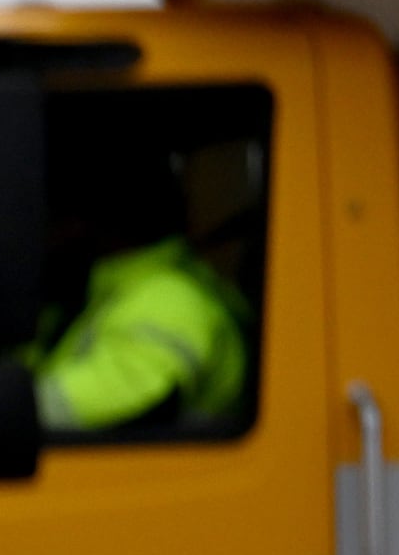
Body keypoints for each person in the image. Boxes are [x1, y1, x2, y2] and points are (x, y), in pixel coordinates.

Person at [26, 146, 254, 435]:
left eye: (53, 218)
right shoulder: (103, 293)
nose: (44, 237)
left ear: (85, 222)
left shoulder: (170, 301)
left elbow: (87, 406)